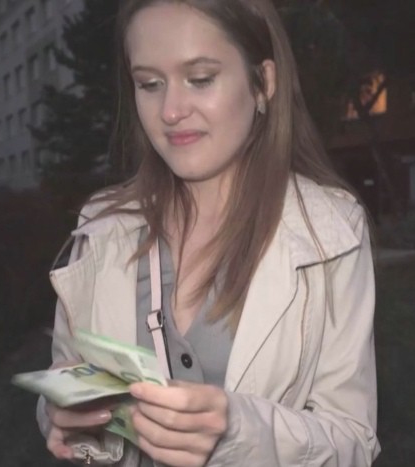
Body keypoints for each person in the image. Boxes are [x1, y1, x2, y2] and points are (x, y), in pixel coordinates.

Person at [37, 0, 379, 465]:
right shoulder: (100, 230)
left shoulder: (330, 232)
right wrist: (68, 420)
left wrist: (236, 430)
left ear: (264, 83)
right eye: (149, 84)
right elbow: (68, 391)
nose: (171, 110)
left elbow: (353, 442)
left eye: (200, 79)